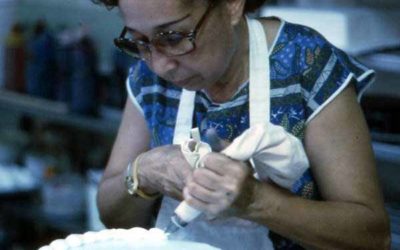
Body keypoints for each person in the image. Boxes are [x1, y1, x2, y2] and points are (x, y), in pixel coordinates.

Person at [93, 0, 391, 249]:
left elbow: (372, 238)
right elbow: (114, 217)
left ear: (233, 5)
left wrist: (255, 201)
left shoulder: (305, 63)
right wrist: (144, 172)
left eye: (174, 37)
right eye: (139, 41)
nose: (159, 65)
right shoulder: (149, 76)